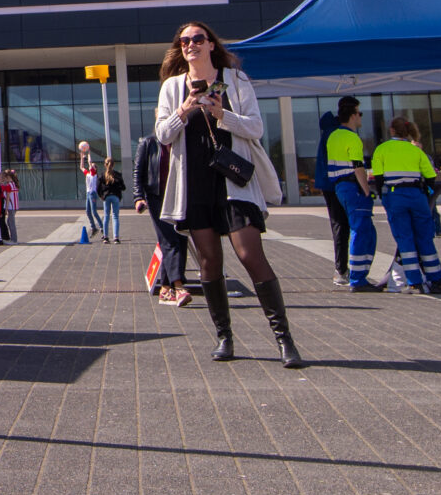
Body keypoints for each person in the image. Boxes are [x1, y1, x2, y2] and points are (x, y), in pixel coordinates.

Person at [153, 21, 301, 368]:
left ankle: (285, 340)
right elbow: (162, 134)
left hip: (233, 180)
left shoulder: (235, 79)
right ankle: (224, 337)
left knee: (250, 254)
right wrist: (185, 109)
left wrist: (222, 114)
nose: (191, 44)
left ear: (211, 44)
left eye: (198, 39)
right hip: (195, 184)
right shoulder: (173, 87)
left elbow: (256, 127)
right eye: (184, 40)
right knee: (209, 261)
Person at [370, 117, 441, 293]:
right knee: (425, 238)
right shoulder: (415, 151)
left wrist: (382, 195)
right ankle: (435, 279)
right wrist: (425, 192)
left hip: (396, 195)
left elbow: (378, 178)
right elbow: (431, 176)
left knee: (405, 239)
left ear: (391, 130)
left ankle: (414, 281)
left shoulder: (382, 149)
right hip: (417, 195)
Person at [324, 102, 379, 291]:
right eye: (360, 113)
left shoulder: (333, 136)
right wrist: (366, 190)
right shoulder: (352, 138)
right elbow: (358, 166)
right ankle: (358, 278)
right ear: (353, 115)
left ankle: (358, 275)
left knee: (363, 230)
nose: (361, 117)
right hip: (353, 187)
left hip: (340, 187)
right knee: (362, 230)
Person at [133, 130, 192, 305]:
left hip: (178, 196)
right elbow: (138, 170)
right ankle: (179, 286)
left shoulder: (181, 141)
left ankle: (165, 289)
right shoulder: (148, 142)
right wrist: (138, 197)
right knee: (169, 239)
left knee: (181, 239)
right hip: (156, 196)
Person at [315, 97, 362, 286]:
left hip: (329, 182)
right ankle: (341, 269)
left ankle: (342, 268)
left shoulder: (330, 130)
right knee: (341, 225)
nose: (360, 116)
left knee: (341, 225)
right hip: (336, 183)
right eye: (358, 112)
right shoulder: (338, 133)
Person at [98, 159, 125, 243]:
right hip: (115, 196)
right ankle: (116, 237)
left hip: (106, 197)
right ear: (113, 165)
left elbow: (97, 187)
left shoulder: (102, 175)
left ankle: (105, 237)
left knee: (106, 216)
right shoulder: (118, 175)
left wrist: (101, 195)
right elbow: (123, 187)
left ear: (105, 165)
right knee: (115, 216)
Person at [79, 143, 101, 236]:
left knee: (94, 212)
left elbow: (90, 163)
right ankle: (93, 227)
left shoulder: (93, 174)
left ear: (95, 169)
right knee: (88, 212)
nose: (92, 166)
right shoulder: (88, 173)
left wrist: (89, 155)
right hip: (88, 194)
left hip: (92, 194)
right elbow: (81, 167)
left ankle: (102, 227)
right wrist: (81, 157)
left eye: (93, 166)